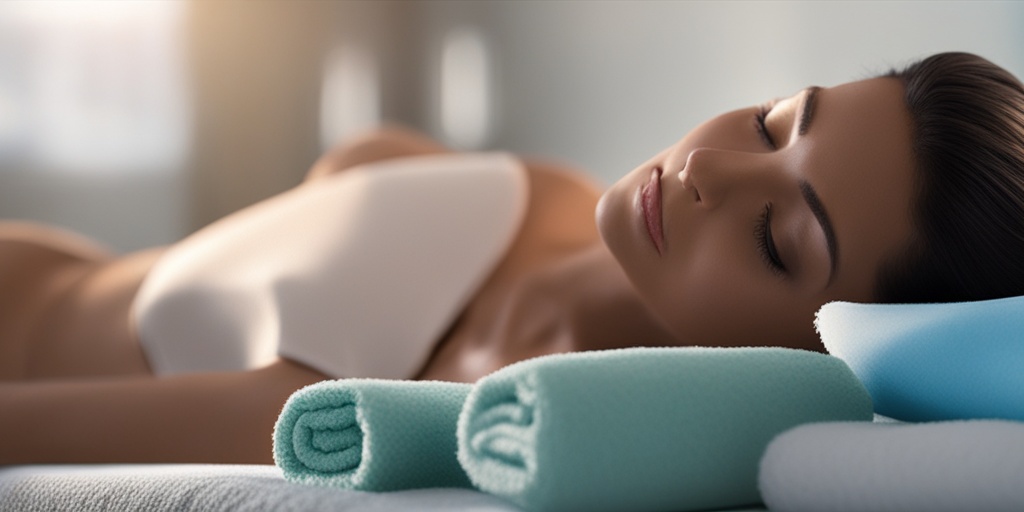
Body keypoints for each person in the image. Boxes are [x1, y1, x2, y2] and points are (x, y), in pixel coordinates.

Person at [1, 52, 1023, 464]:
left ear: (817, 348)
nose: (708, 164)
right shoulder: (546, 192)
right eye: (771, 122)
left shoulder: (423, 405)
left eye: (775, 239)